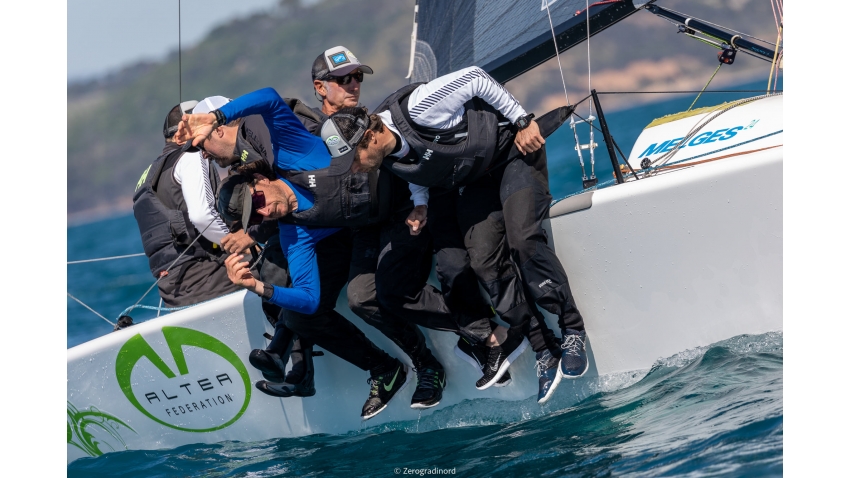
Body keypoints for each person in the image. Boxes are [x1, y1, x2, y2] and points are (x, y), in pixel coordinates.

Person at [321, 66, 590, 404]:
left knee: (523, 239)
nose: (355, 169)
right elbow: (414, 166)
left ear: (371, 137)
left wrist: (522, 121)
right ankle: (545, 347)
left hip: (513, 154)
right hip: (476, 180)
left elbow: (475, 77)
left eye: (354, 159)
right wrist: (420, 204)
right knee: (482, 259)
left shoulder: (419, 107)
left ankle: (572, 330)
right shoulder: (383, 154)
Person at [176, 86, 450, 418]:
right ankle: (389, 368)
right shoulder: (292, 228)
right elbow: (306, 297)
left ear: (263, 179)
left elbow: (269, 98)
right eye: (255, 215)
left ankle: (464, 334)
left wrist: (215, 116)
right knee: (308, 312)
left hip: (395, 204)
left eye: (258, 201)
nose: (263, 212)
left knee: (366, 295)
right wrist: (258, 287)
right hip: (353, 233)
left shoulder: (289, 151)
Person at [131, 100, 240, 308]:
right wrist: (239, 246)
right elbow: (202, 216)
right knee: (277, 269)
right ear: (186, 129)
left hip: (172, 290)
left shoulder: (146, 177)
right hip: (209, 276)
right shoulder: (191, 155)